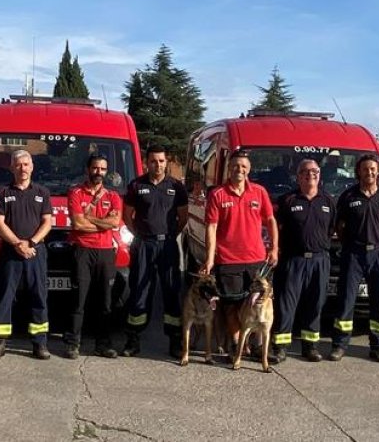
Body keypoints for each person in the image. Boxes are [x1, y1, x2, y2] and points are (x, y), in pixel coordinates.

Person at [198, 150, 278, 351]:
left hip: (256, 260)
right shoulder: (217, 194)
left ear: (249, 169)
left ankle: (257, 345)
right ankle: (236, 345)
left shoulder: (259, 192)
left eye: (243, 166)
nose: (239, 170)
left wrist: (274, 248)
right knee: (231, 306)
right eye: (235, 166)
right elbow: (211, 228)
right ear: (228, 168)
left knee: (258, 302)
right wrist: (209, 260)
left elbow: (270, 220)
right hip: (227, 260)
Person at [121, 146, 189, 358]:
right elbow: (127, 215)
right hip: (143, 245)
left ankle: (175, 341)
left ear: (166, 162)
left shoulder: (176, 187)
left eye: (161, 161)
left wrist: (168, 236)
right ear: (146, 162)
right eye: (153, 161)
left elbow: (182, 218)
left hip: (167, 245)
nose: (157, 165)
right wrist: (140, 235)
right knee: (140, 292)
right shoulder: (136, 185)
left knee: (171, 292)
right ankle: (133, 339)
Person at [0, 149, 53, 362]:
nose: (22, 168)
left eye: (26, 164)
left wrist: (31, 242)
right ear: (11, 167)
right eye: (18, 164)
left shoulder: (42, 192)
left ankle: (39, 343)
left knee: (39, 296)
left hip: (36, 251)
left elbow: (47, 222)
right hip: (11, 251)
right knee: (4, 296)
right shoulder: (3, 192)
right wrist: (17, 243)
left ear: (32, 167)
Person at [330, 154, 379, 362]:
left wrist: (375, 242)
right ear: (358, 171)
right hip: (353, 253)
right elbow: (339, 226)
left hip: (377, 253)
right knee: (346, 301)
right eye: (365, 169)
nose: (369, 172)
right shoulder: (348, 197)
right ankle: (340, 345)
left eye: (373, 169)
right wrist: (351, 243)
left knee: (378, 301)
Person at [271, 159, 334, 363]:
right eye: (305, 172)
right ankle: (280, 347)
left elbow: (332, 229)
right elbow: (276, 229)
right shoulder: (287, 200)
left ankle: (310, 347)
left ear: (319, 175)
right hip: (293, 260)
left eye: (314, 171)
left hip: (319, 260)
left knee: (315, 304)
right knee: (286, 305)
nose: (310, 175)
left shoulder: (328, 201)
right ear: (298, 176)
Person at [65, 154, 123, 359]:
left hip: (106, 252)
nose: (99, 172)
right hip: (82, 251)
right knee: (79, 299)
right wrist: (101, 222)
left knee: (105, 302)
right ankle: (73, 343)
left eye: (103, 169)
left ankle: (103, 344)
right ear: (87, 169)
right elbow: (77, 224)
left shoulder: (113, 196)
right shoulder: (76, 192)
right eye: (95, 168)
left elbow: (115, 223)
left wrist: (88, 217)